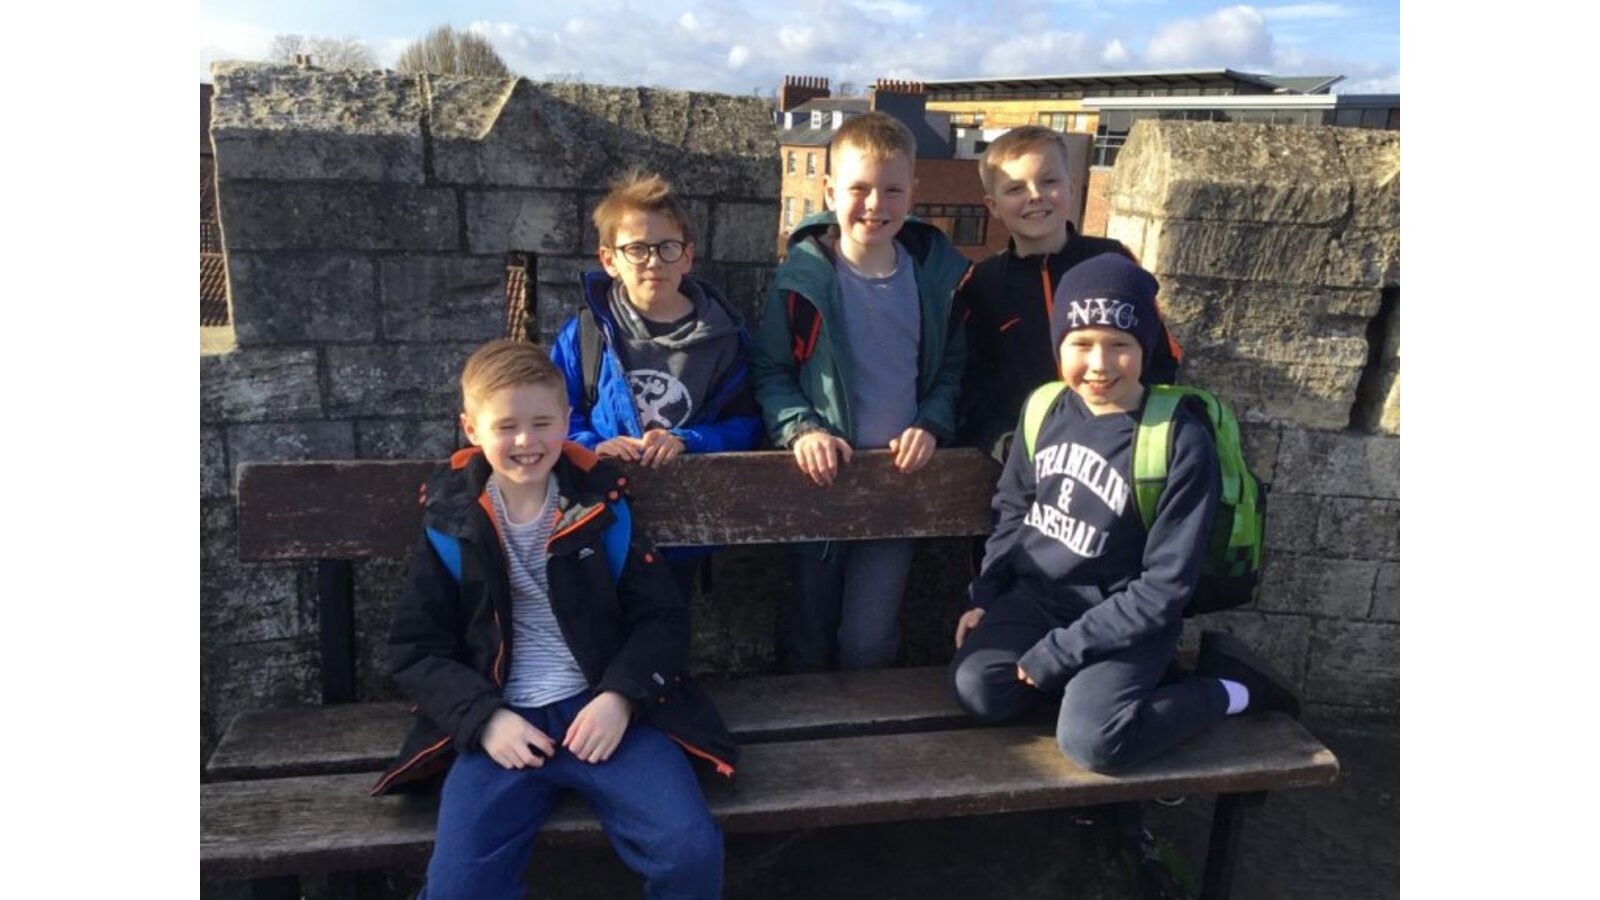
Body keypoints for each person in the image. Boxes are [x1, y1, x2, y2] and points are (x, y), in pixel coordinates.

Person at [372, 339, 737, 899]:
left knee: (690, 852)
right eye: (506, 426)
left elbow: (661, 618)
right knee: (457, 889)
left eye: (542, 423)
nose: (526, 441)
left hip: (605, 711)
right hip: (503, 722)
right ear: (471, 429)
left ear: (566, 421)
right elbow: (416, 649)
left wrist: (620, 698)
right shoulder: (450, 525)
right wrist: (484, 720)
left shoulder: (603, 508)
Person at [949, 253, 1297, 772]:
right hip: (1039, 601)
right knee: (978, 689)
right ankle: (1104, 689)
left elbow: (1164, 588)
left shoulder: (1177, 438)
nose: (1099, 363)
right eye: (1081, 343)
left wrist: (1061, 653)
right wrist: (987, 596)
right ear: (1059, 345)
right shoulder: (1044, 408)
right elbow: (1013, 507)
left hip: (1128, 618)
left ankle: (1230, 688)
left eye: (1120, 345)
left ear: (1144, 347)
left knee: (1095, 743)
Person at [750, 111, 970, 673]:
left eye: (892, 190)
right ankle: (808, 725)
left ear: (913, 193)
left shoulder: (935, 277)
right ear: (829, 191)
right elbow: (771, 370)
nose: (875, 204)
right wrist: (801, 428)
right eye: (859, 189)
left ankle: (867, 727)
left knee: (870, 636)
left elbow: (951, 368)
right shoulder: (802, 278)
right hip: (821, 479)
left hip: (897, 483)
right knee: (808, 626)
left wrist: (931, 422)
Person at [549, 168, 760, 600]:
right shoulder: (585, 335)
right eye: (637, 249)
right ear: (609, 260)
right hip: (599, 522)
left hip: (682, 524)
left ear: (687, 256)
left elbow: (748, 424)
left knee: (666, 626)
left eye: (667, 247)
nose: (653, 261)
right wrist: (594, 447)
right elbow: (553, 417)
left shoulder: (724, 338)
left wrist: (688, 440)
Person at [957, 125, 1181, 465]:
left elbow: (1160, 354)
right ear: (993, 205)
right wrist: (1001, 440)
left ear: (1071, 188)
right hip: (1030, 455)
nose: (1035, 195)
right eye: (1016, 188)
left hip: (1121, 447)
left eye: (1049, 181)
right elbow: (972, 383)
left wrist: (1137, 426)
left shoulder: (1112, 260)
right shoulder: (983, 283)